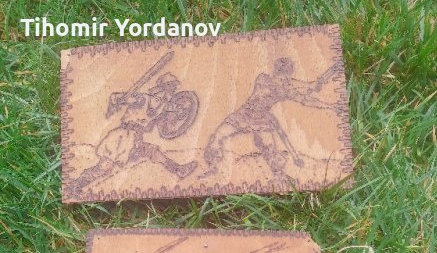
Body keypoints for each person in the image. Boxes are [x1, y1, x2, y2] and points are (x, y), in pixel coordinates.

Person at [202, 57, 337, 177]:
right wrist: (309, 85)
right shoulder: (264, 79)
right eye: (282, 76)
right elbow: (281, 86)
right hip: (243, 114)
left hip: (262, 120)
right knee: (218, 135)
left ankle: (279, 175)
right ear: (276, 72)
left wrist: (330, 106)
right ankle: (213, 167)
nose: (284, 79)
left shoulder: (287, 89)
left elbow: (306, 100)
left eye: (286, 77)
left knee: (270, 148)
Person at [70, 73, 197, 194]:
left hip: (136, 139)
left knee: (153, 152)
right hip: (122, 137)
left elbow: (174, 112)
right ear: (162, 88)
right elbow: (118, 97)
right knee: (104, 167)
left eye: (173, 89)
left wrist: (182, 112)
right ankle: (76, 185)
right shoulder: (143, 99)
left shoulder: (163, 105)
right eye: (170, 88)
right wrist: (121, 99)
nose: (172, 92)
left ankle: (179, 170)